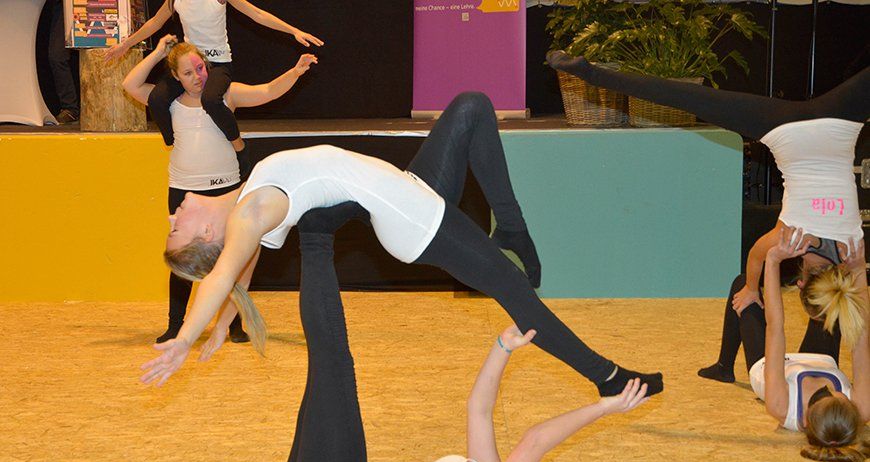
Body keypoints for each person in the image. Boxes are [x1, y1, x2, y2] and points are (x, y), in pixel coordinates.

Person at [139, 92, 664, 397]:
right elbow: (224, 273)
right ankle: (608, 378)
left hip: (413, 187)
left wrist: (225, 323)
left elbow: (240, 269)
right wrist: (185, 338)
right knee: (515, 293)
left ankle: (510, 226)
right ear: (205, 235)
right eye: (175, 227)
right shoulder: (253, 211)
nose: (172, 213)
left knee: (472, 107)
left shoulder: (247, 204)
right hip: (416, 222)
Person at [282, 210, 648, 462]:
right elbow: (478, 409)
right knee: (327, 367)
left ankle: (317, 228)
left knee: (333, 361)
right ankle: (316, 228)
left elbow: (534, 441)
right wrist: (502, 348)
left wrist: (605, 406)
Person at [548, 53, 870, 342]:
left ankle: (589, 72)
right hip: (784, 131)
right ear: (799, 283)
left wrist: (856, 273)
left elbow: (860, 300)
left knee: (685, 96)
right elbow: (755, 257)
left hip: (837, 122)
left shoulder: (852, 247)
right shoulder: (786, 239)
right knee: (684, 97)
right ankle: (590, 73)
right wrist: (751, 289)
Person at [123, 34, 317, 343]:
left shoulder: (226, 95)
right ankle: (176, 325)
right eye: (188, 73)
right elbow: (130, 85)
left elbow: (267, 91)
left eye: (200, 68)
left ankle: (234, 324)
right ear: (175, 76)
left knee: (234, 256)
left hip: (225, 190)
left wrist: (295, 71)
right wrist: (159, 51)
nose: (197, 77)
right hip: (184, 191)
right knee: (183, 258)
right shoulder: (168, 102)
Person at [699, 226, 870, 462]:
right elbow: (861, 335)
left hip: (768, 363)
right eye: (836, 394)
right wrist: (858, 268)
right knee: (834, 301)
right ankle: (816, 261)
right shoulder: (861, 408)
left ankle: (723, 367)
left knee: (743, 283)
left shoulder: (782, 406)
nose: (827, 389)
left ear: (807, 420)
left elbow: (775, 328)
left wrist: (773, 260)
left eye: (823, 395)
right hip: (821, 360)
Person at [105, 0, 323, 172]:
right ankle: (172, 141)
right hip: (192, 62)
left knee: (211, 100)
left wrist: (293, 30)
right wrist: (125, 44)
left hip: (218, 64)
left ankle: (239, 146)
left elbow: (257, 14)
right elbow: (154, 22)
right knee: (157, 99)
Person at [46, 0, 79, 123]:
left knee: (98, 53)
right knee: (57, 56)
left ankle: (99, 107)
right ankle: (70, 108)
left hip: (97, 7)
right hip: (63, 6)